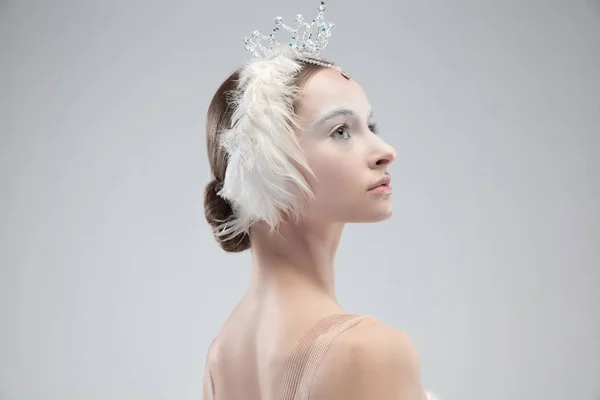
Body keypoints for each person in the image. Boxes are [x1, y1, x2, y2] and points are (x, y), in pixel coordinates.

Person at [201, 2, 439, 399]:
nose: (385, 150)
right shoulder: (369, 350)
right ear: (268, 168)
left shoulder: (220, 357)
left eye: (371, 125)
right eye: (342, 130)